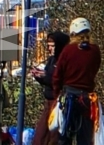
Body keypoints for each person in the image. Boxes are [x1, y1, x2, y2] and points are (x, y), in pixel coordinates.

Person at [52, 17, 102, 145]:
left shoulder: (68, 50)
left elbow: (57, 75)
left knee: (65, 135)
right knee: (85, 138)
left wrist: (56, 93)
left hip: (69, 96)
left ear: (73, 33)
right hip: (87, 99)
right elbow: (95, 69)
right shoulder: (95, 51)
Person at [32, 30, 69, 145]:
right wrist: (38, 75)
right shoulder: (51, 60)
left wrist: (46, 76)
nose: (49, 49)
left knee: (54, 137)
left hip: (58, 104)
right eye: (48, 46)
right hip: (49, 102)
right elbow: (48, 80)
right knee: (40, 136)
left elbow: (60, 82)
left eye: (52, 46)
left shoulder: (64, 62)